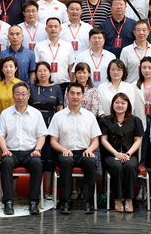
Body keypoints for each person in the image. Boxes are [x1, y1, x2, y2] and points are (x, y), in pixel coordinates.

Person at [49, 82, 102, 214]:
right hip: (65, 152)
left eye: (78, 94)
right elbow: (53, 141)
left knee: (90, 162)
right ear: (67, 95)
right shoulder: (58, 116)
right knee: (66, 162)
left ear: (83, 96)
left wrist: (90, 150)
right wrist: (63, 150)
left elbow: (95, 140)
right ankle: (65, 202)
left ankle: (88, 202)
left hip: (84, 151)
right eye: (72, 93)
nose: (75, 96)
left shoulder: (89, 116)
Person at [0, 81, 47, 215]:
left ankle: (33, 202)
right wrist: (5, 150)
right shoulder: (5, 114)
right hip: (11, 152)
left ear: (29, 95)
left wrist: (37, 150)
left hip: (30, 152)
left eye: (23, 94)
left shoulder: (36, 114)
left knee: (37, 164)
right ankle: (8, 202)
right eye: (17, 94)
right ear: (13, 95)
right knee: (6, 163)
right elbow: (0, 135)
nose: (20, 97)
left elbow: (42, 135)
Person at [99, 93, 143, 212]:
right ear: (112, 104)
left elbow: (138, 140)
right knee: (117, 166)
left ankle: (129, 199)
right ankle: (117, 198)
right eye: (117, 102)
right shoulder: (105, 120)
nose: (120, 105)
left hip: (130, 153)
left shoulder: (135, 120)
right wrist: (116, 154)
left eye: (123, 103)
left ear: (128, 105)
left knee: (130, 166)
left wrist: (128, 154)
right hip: (111, 154)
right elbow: (103, 140)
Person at [29, 62, 64, 200]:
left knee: (49, 158)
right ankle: (35, 190)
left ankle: (47, 190)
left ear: (50, 72)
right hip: (34, 126)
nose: (42, 73)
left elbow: (60, 109)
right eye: (39, 71)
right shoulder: (31, 88)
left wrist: (59, 127)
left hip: (52, 126)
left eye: (45, 70)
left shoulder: (56, 88)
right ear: (36, 74)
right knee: (36, 158)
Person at [35, 18, 75, 87]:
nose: (53, 29)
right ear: (46, 29)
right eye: (50, 26)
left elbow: (71, 67)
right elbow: (36, 67)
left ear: (60, 29)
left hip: (64, 84)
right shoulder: (39, 46)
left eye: (56, 26)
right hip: (45, 85)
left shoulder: (68, 46)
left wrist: (72, 84)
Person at [0, 57, 23, 122]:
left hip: (17, 121)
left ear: (16, 68)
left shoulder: (22, 85)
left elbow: (23, 107)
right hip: (0, 120)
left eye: (11, 66)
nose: (8, 69)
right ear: (2, 69)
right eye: (5, 67)